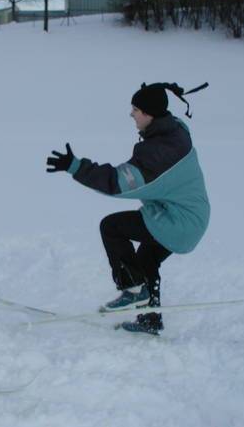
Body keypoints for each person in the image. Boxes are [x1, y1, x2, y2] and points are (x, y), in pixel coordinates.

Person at [46, 81, 210, 335]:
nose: (131, 114)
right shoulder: (174, 129)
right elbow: (160, 109)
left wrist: (76, 167)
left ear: (148, 114)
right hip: (190, 217)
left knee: (112, 227)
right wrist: (155, 91)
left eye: (136, 109)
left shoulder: (159, 153)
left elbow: (117, 182)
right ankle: (150, 319)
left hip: (179, 222)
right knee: (145, 260)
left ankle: (132, 290)